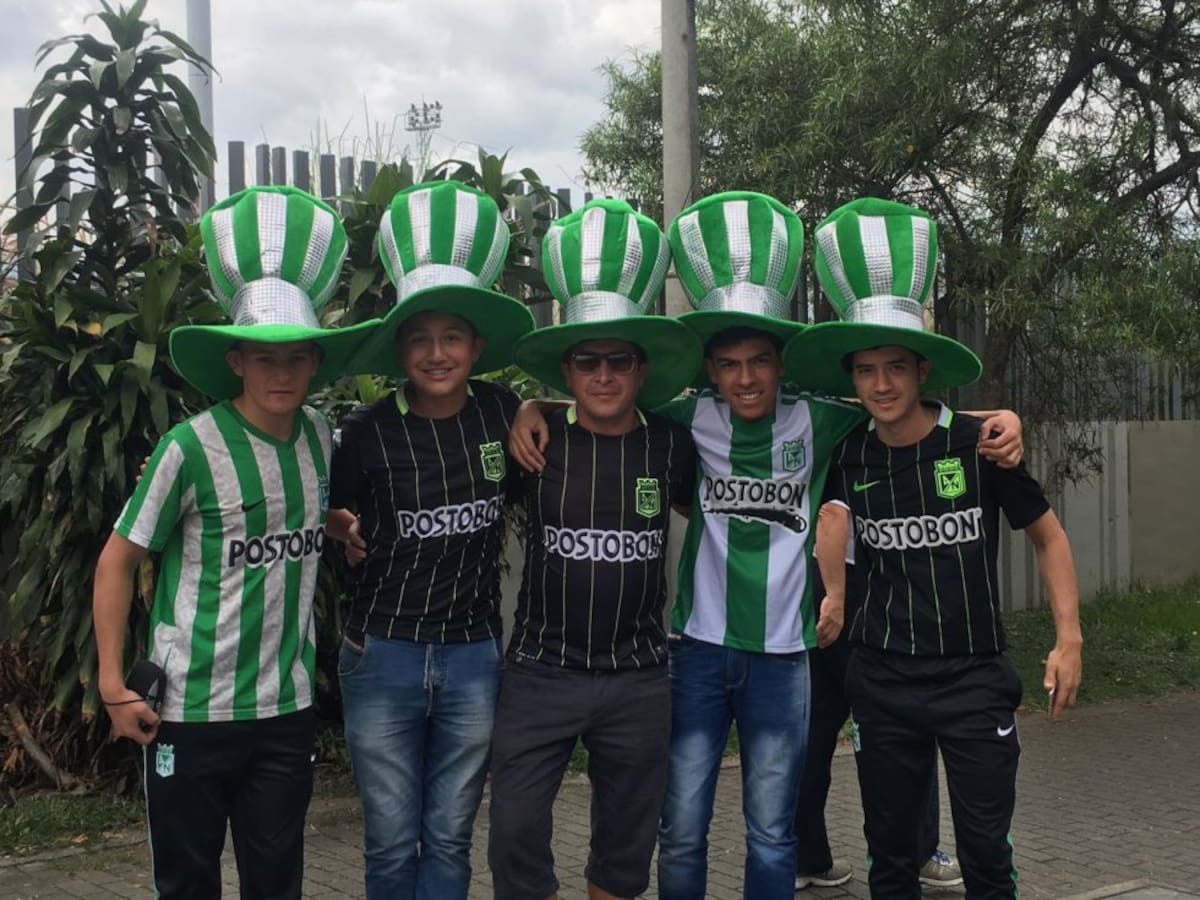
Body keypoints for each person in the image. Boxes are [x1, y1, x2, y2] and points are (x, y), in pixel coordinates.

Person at [510, 190, 1022, 900]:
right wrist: (534, 407)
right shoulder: (687, 417)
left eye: (759, 360)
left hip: (786, 659)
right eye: (727, 363)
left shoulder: (822, 420)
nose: (744, 377)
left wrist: (998, 418)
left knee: (773, 830)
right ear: (708, 371)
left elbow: (903, 408)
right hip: (696, 652)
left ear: (782, 362)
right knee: (682, 826)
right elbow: (603, 397)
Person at [783, 196, 1083, 898]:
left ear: (922, 370)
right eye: (865, 370)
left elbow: (1050, 535)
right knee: (891, 857)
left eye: (896, 366)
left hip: (973, 680)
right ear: (851, 379)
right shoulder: (848, 453)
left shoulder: (977, 445)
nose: (881, 384)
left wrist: (1069, 638)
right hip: (882, 682)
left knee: (984, 856)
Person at [93, 186, 374, 899]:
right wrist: (111, 686)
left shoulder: (318, 437)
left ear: (315, 362)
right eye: (263, 357)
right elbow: (119, 557)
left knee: (276, 884)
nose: (282, 373)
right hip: (185, 713)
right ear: (238, 362)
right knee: (186, 886)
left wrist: (332, 523)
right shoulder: (189, 448)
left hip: (284, 712)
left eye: (296, 358)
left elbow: (296, 512)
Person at [324, 180, 535, 900]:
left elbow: (575, 423)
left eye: (451, 338)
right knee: (388, 842)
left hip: (473, 654)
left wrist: (538, 405)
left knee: (448, 836)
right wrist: (339, 526)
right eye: (420, 339)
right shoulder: (366, 432)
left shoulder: (504, 412)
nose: (437, 354)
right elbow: (325, 506)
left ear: (476, 346)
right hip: (381, 652)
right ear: (400, 348)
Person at [488, 199, 702, 900]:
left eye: (619, 359)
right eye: (587, 359)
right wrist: (526, 405)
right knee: (514, 830)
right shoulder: (536, 442)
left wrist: (970, 422)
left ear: (641, 370)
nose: (603, 374)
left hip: (638, 677)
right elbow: (455, 417)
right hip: (541, 672)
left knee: (624, 848)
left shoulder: (671, 446)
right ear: (567, 369)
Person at [793, 521, 962, 889]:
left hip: (817, 572)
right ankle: (915, 852)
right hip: (868, 576)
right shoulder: (871, 461)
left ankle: (805, 855)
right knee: (900, 714)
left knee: (815, 720)